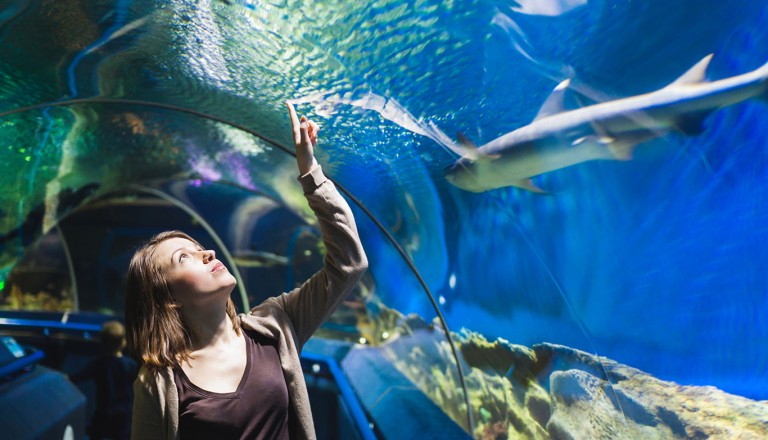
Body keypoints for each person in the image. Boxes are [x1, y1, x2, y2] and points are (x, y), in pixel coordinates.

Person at [125, 102, 368, 440]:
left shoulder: (275, 326)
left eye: (200, 248)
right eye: (185, 257)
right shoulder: (159, 383)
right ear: (169, 299)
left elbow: (349, 264)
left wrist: (311, 174)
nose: (208, 252)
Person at [70, 320, 139, 440]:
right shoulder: (131, 365)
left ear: (103, 342)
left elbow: (78, 377)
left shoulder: (98, 364)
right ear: (123, 342)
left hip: (102, 412)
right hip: (122, 416)